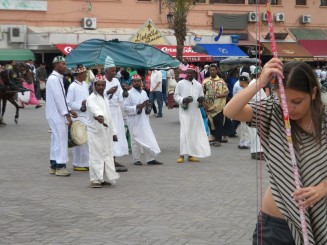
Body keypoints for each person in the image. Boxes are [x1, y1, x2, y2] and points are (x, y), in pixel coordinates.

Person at [224, 58, 327, 245]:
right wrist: (259, 83)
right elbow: (230, 112)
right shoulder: (273, 110)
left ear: (313, 93)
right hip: (275, 226)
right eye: (283, 100)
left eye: (296, 101)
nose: (289, 108)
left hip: (319, 220)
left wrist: (323, 188)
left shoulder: (324, 119)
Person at [86, 75, 120, 188]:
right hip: (95, 132)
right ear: (94, 86)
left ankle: (102, 178)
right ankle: (94, 180)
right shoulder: (91, 98)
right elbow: (94, 109)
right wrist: (99, 115)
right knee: (96, 155)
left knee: (106, 155)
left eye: (103, 85)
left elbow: (109, 118)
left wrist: (114, 132)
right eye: (98, 85)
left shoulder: (104, 98)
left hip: (106, 132)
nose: (101, 87)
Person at [46, 56, 77, 176]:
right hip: (57, 114)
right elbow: (59, 99)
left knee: (55, 139)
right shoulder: (54, 79)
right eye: (63, 64)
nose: (65, 66)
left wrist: (69, 110)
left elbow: (61, 99)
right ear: (56, 65)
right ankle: (60, 167)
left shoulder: (56, 78)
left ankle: (53, 165)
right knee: (60, 140)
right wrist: (67, 114)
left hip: (56, 113)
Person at [174, 65, 211, 163]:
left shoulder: (198, 85)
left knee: (193, 133)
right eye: (188, 72)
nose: (189, 74)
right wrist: (183, 100)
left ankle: (191, 155)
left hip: (195, 112)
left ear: (195, 74)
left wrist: (201, 101)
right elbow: (176, 96)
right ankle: (181, 155)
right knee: (184, 132)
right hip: (184, 111)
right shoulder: (180, 83)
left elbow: (201, 97)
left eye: (191, 73)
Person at [124, 74, 163, 166]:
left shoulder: (144, 92)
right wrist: (137, 107)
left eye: (139, 81)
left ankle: (150, 159)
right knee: (135, 139)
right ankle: (136, 159)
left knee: (147, 137)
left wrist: (148, 108)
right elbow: (125, 108)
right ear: (132, 83)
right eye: (135, 81)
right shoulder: (128, 94)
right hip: (134, 119)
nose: (137, 83)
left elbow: (147, 103)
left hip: (144, 119)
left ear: (141, 82)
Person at [103, 56, 129, 172]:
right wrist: (109, 92)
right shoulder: (101, 81)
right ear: (106, 71)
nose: (114, 73)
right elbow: (96, 96)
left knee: (116, 135)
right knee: (107, 136)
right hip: (105, 111)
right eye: (112, 71)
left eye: (115, 70)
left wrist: (125, 93)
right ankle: (107, 161)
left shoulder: (116, 81)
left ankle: (113, 159)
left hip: (116, 111)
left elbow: (120, 97)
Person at [66, 64, 90, 171]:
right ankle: (78, 163)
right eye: (84, 73)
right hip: (77, 117)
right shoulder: (72, 86)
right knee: (79, 141)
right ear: (79, 74)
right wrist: (81, 106)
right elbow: (69, 103)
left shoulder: (85, 84)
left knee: (86, 141)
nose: (86, 75)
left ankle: (86, 162)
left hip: (86, 116)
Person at [202, 64, 229, 147]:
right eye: (211, 70)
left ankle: (218, 140)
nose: (212, 71)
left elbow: (227, 92)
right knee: (211, 123)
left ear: (217, 71)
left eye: (214, 70)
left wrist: (219, 96)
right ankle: (214, 137)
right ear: (209, 71)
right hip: (209, 106)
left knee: (219, 122)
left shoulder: (221, 81)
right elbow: (202, 93)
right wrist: (204, 103)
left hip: (219, 106)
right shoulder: (205, 81)